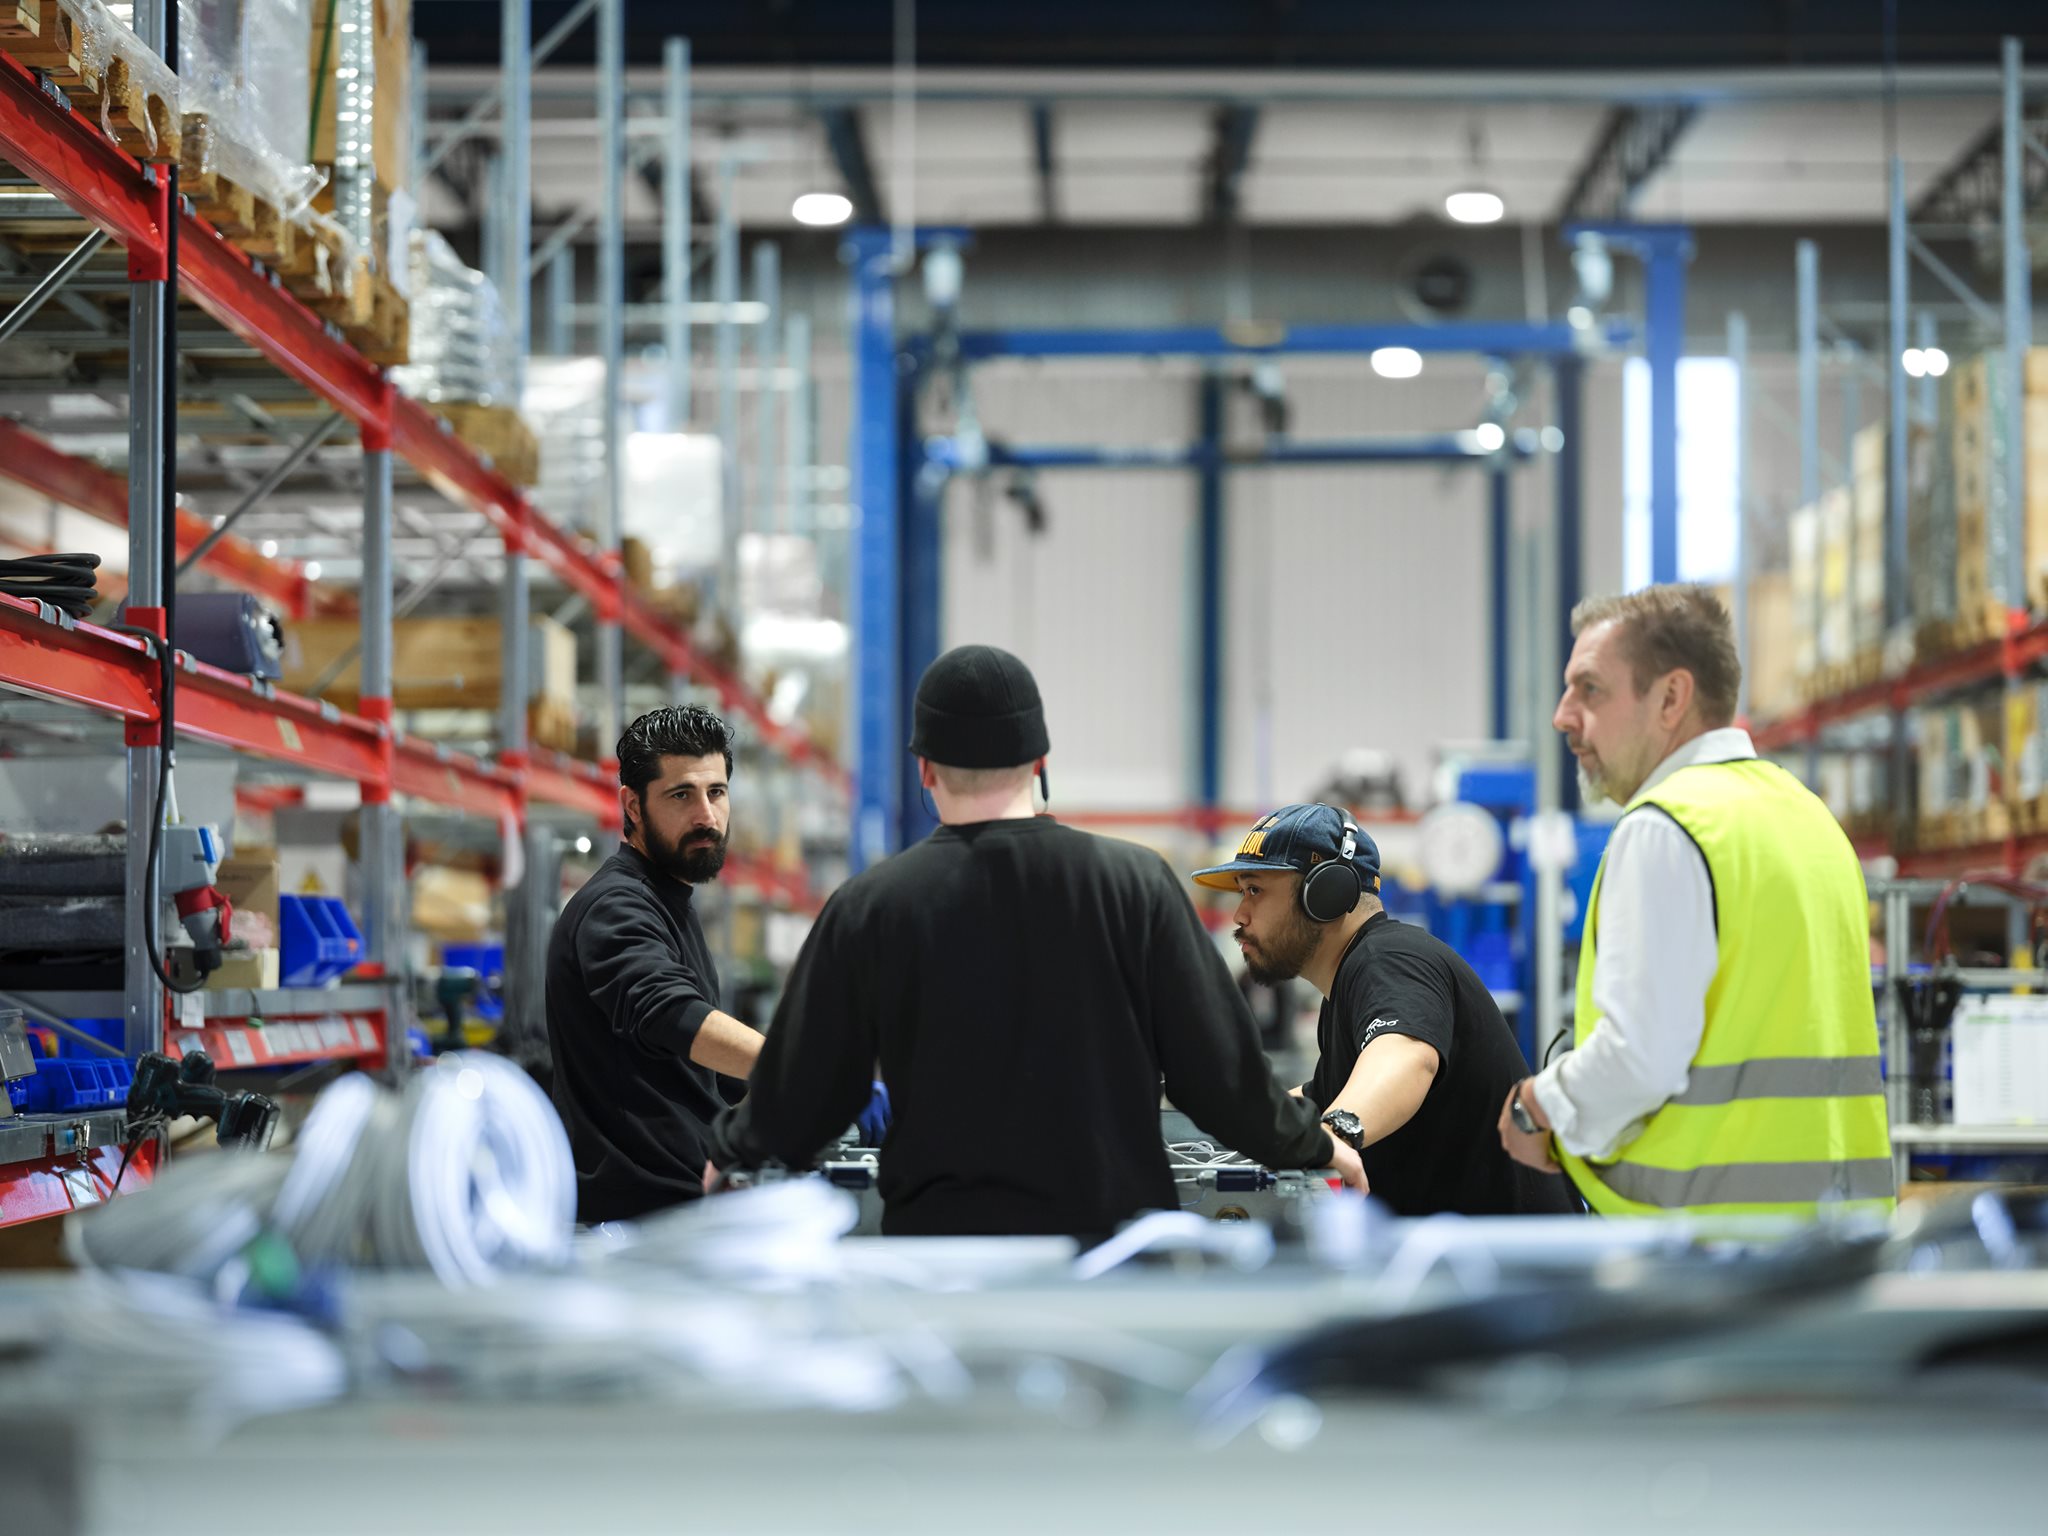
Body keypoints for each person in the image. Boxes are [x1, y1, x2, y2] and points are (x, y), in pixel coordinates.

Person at [709, 643, 1367, 1239]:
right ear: (1039, 761)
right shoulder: (1134, 886)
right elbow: (1220, 1078)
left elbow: (804, 1095)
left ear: (925, 768)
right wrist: (1310, 1145)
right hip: (1110, 1251)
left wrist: (730, 1151)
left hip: (941, 1259)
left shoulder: (870, 907)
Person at [1497, 584, 1894, 1218]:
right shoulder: (1807, 816)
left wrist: (1541, 1105)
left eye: (1590, 689)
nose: (1563, 715)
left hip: (1714, 1250)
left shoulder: (1667, 827)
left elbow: (1639, 1060)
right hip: (1836, 1236)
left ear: (1672, 698)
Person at [1193, 804, 1578, 1217]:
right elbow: (1316, 1099)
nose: (1239, 915)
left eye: (1254, 890)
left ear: (1325, 893)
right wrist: (1207, 1117)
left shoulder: (1388, 958)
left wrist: (1335, 1134)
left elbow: (1407, 1055)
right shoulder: (1347, 989)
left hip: (1519, 1268)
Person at [544, 705, 770, 1224]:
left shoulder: (669, 903)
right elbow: (668, 1012)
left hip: (678, 1213)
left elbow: (700, 1073)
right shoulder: (616, 906)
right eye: (681, 795)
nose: (706, 816)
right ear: (633, 805)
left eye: (716, 792)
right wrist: (801, 1070)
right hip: (635, 1227)